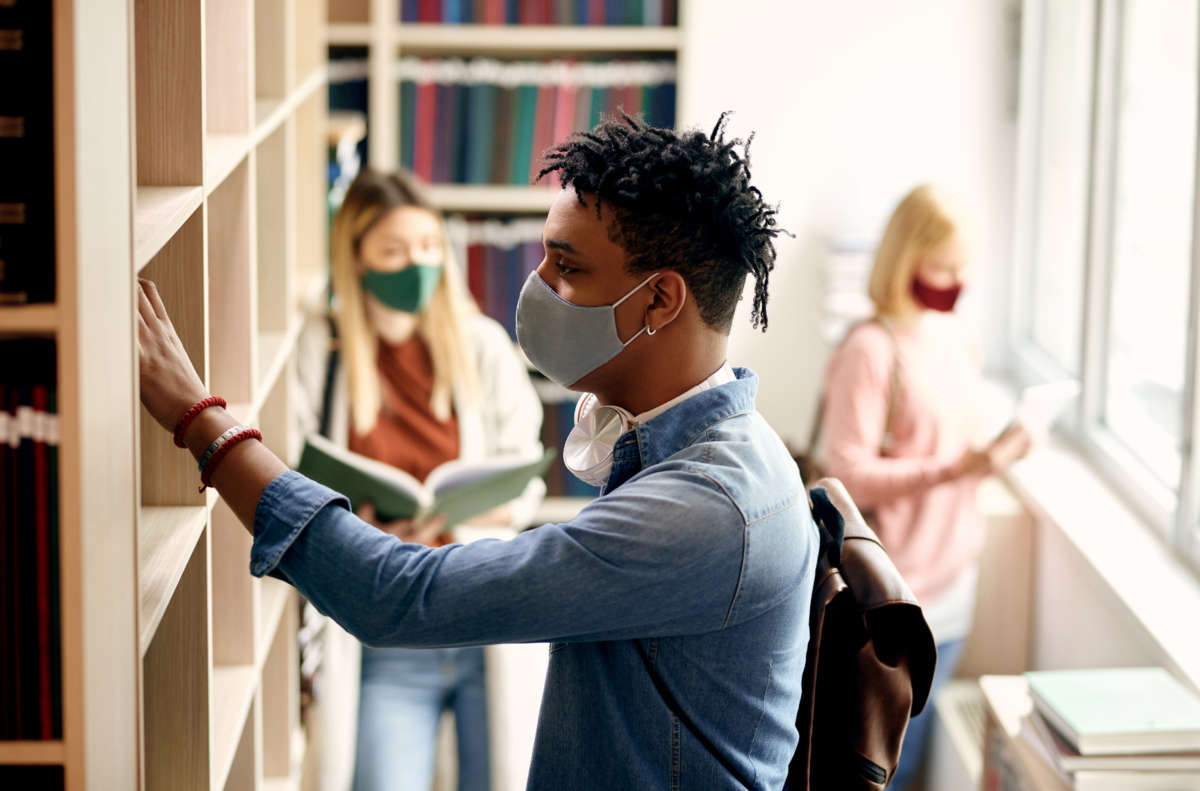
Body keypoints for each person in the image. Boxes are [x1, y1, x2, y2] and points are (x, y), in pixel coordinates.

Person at [136, 114, 819, 791]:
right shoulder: (702, 449)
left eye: (568, 266)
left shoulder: (702, 511)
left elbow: (399, 596)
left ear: (660, 300)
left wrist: (202, 423)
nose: (538, 284)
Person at [293, 168, 546, 791]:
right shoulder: (320, 351)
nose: (418, 265)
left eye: (430, 246)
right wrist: (359, 526)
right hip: (388, 634)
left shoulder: (482, 346)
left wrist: (454, 516)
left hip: (482, 614)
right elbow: (293, 479)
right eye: (395, 251)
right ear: (355, 259)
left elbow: (525, 480)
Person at [817, 185, 1032, 791]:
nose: (955, 281)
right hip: (895, 597)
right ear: (904, 259)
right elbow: (849, 477)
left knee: (917, 752)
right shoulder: (870, 348)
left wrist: (998, 452)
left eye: (965, 267)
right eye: (943, 266)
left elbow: (953, 443)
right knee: (880, 764)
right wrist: (955, 468)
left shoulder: (955, 336)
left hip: (955, 581)